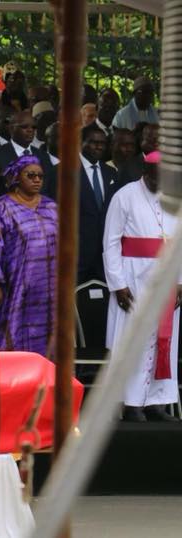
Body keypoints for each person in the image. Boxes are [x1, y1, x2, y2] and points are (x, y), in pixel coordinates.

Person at [104, 151, 181, 422]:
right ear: (146, 173)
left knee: (164, 340)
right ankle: (131, 402)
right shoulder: (124, 196)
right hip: (133, 278)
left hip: (167, 279)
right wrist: (118, 284)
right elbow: (111, 243)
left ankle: (157, 402)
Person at [0, 155, 58, 356]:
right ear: (17, 177)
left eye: (40, 176)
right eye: (31, 175)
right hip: (15, 285)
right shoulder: (2, 207)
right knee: (13, 334)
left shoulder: (52, 207)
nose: (37, 180)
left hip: (48, 289)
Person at [0, 109, 56, 208]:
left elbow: (50, 191)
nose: (30, 130)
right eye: (24, 127)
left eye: (33, 127)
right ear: (11, 129)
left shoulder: (43, 156)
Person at [78, 124, 121, 282]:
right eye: (93, 142)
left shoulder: (111, 172)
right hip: (77, 254)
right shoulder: (63, 172)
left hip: (104, 255)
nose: (99, 146)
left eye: (102, 143)